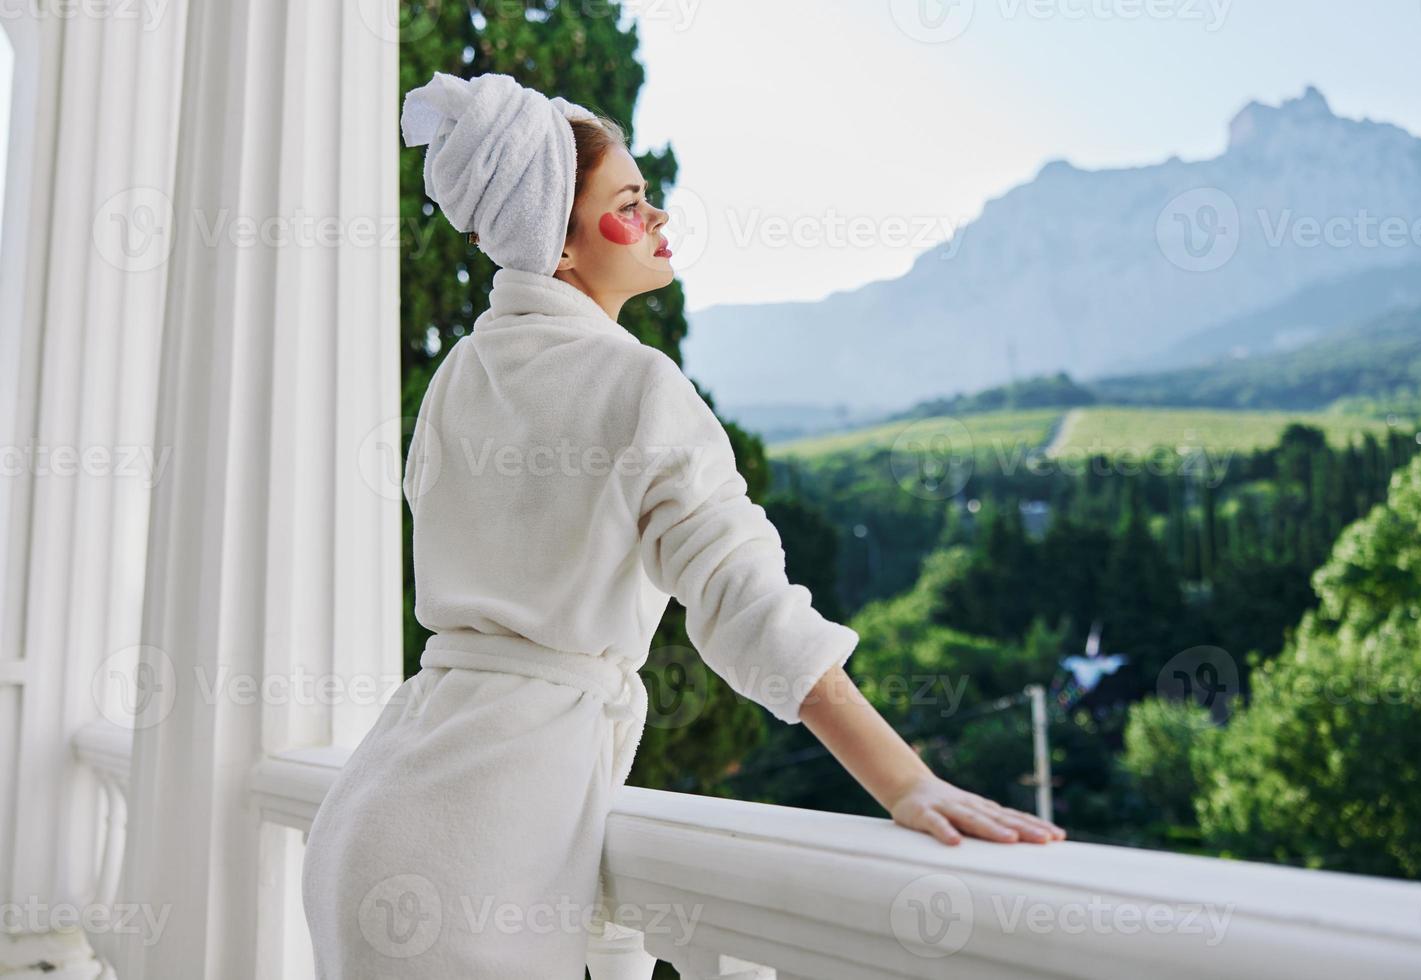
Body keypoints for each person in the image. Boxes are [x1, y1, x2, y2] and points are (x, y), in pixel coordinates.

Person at [301, 70, 1064, 980]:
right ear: (562, 246)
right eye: (628, 202)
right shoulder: (639, 388)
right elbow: (749, 609)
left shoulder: (460, 376)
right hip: (482, 842)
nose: (658, 217)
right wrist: (906, 781)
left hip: (379, 806)